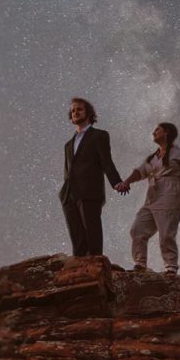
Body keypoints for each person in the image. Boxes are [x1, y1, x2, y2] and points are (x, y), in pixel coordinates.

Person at [115, 122, 180, 277]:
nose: (153, 132)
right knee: (137, 229)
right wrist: (126, 182)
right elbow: (140, 171)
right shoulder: (153, 157)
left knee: (166, 233)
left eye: (157, 129)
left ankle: (171, 266)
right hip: (152, 196)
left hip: (171, 193)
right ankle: (140, 264)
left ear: (167, 132)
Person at [59, 97, 128, 257]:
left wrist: (116, 182)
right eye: (73, 110)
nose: (75, 112)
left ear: (89, 113)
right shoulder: (68, 144)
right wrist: (64, 193)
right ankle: (79, 273)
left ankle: (96, 268)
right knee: (77, 240)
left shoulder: (99, 135)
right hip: (69, 196)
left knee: (93, 235)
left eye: (79, 109)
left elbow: (106, 162)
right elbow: (67, 170)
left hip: (89, 192)